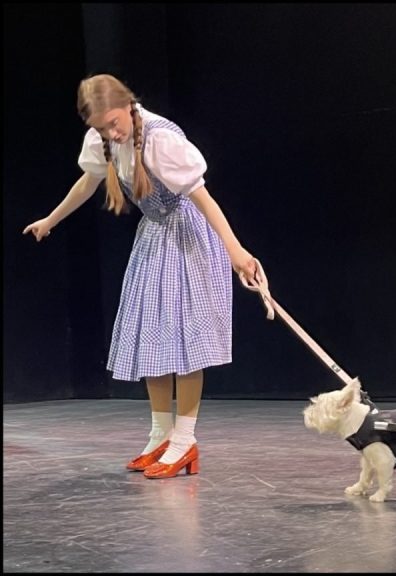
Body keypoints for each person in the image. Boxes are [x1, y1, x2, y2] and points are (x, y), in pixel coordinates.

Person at [24, 74, 259, 479]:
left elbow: (201, 196)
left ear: (129, 106)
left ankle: (185, 441)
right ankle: (160, 434)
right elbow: (88, 181)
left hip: (187, 234)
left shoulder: (160, 138)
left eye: (114, 122)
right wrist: (52, 219)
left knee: (186, 340)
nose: (110, 132)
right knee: (152, 335)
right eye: (101, 128)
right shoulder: (104, 139)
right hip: (154, 235)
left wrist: (235, 250)